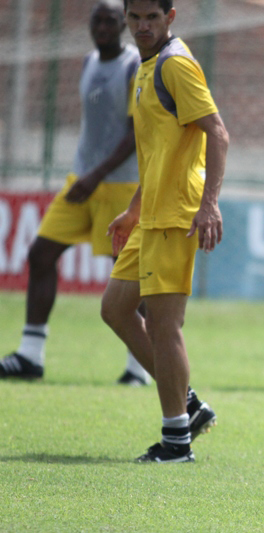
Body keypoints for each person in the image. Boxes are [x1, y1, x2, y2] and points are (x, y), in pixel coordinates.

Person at [99, 0, 228, 463]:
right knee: (115, 308)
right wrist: (134, 208)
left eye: (152, 18)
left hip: (177, 213)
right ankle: (188, 405)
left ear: (170, 17)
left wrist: (209, 203)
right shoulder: (145, 65)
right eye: (135, 18)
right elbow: (157, 149)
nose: (142, 27)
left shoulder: (175, 65)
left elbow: (217, 132)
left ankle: (176, 442)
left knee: (164, 326)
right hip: (151, 213)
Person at [0, 0, 151, 385]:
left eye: (111, 21)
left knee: (135, 278)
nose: (102, 27)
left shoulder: (134, 66)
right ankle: (31, 354)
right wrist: (87, 174)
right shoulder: (87, 63)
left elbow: (137, 133)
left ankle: (139, 368)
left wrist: (97, 175)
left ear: (123, 25)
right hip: (81, 180)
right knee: (41, 253)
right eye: (96, 20)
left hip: (121, 186)